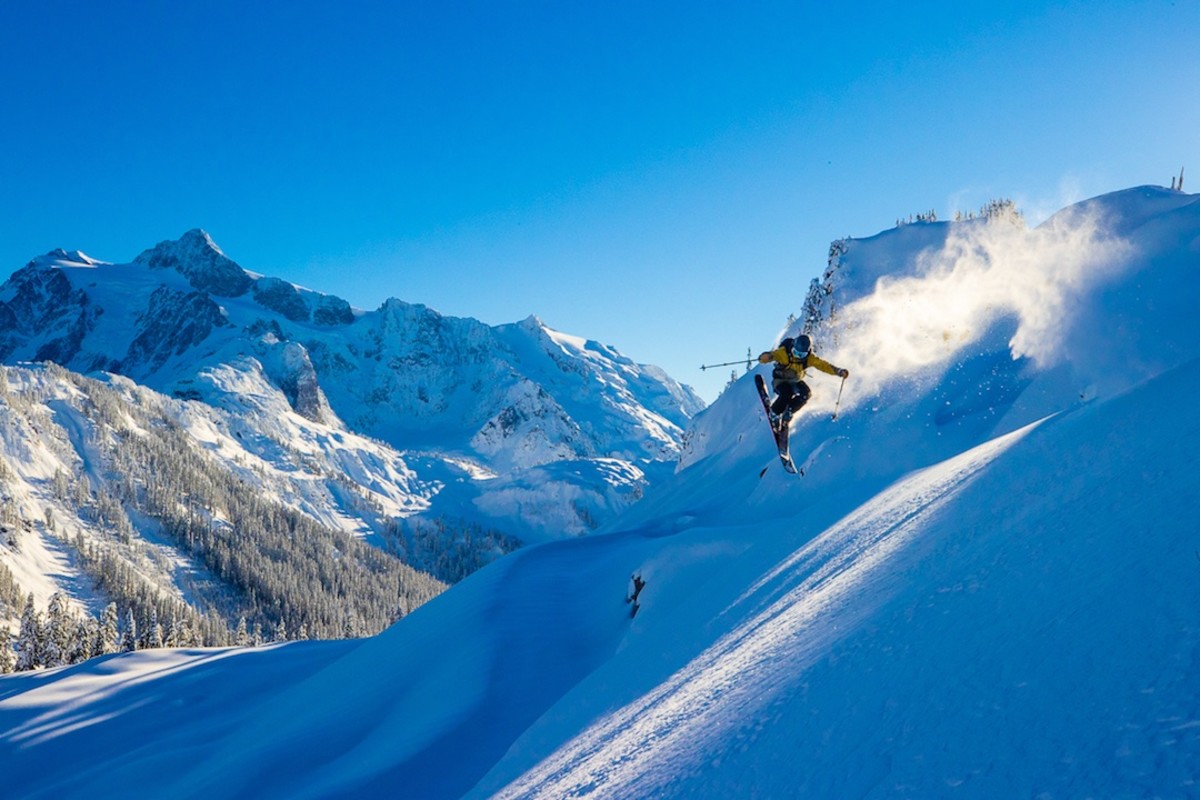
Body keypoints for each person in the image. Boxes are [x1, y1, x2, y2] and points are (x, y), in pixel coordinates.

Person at [758, 334, 848, 428]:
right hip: (780, 381)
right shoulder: (784, 353)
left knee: (806, 394)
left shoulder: (809, 359)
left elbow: (823, 365)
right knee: (786, 393)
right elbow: (772, 355)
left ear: (807, 352)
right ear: (792, 347)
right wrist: (765, 357)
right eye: (795, 352)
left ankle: (789, 411)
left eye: (802, 355)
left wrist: (838, 371)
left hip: (795, 381)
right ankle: (774, 413)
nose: (798, 356)